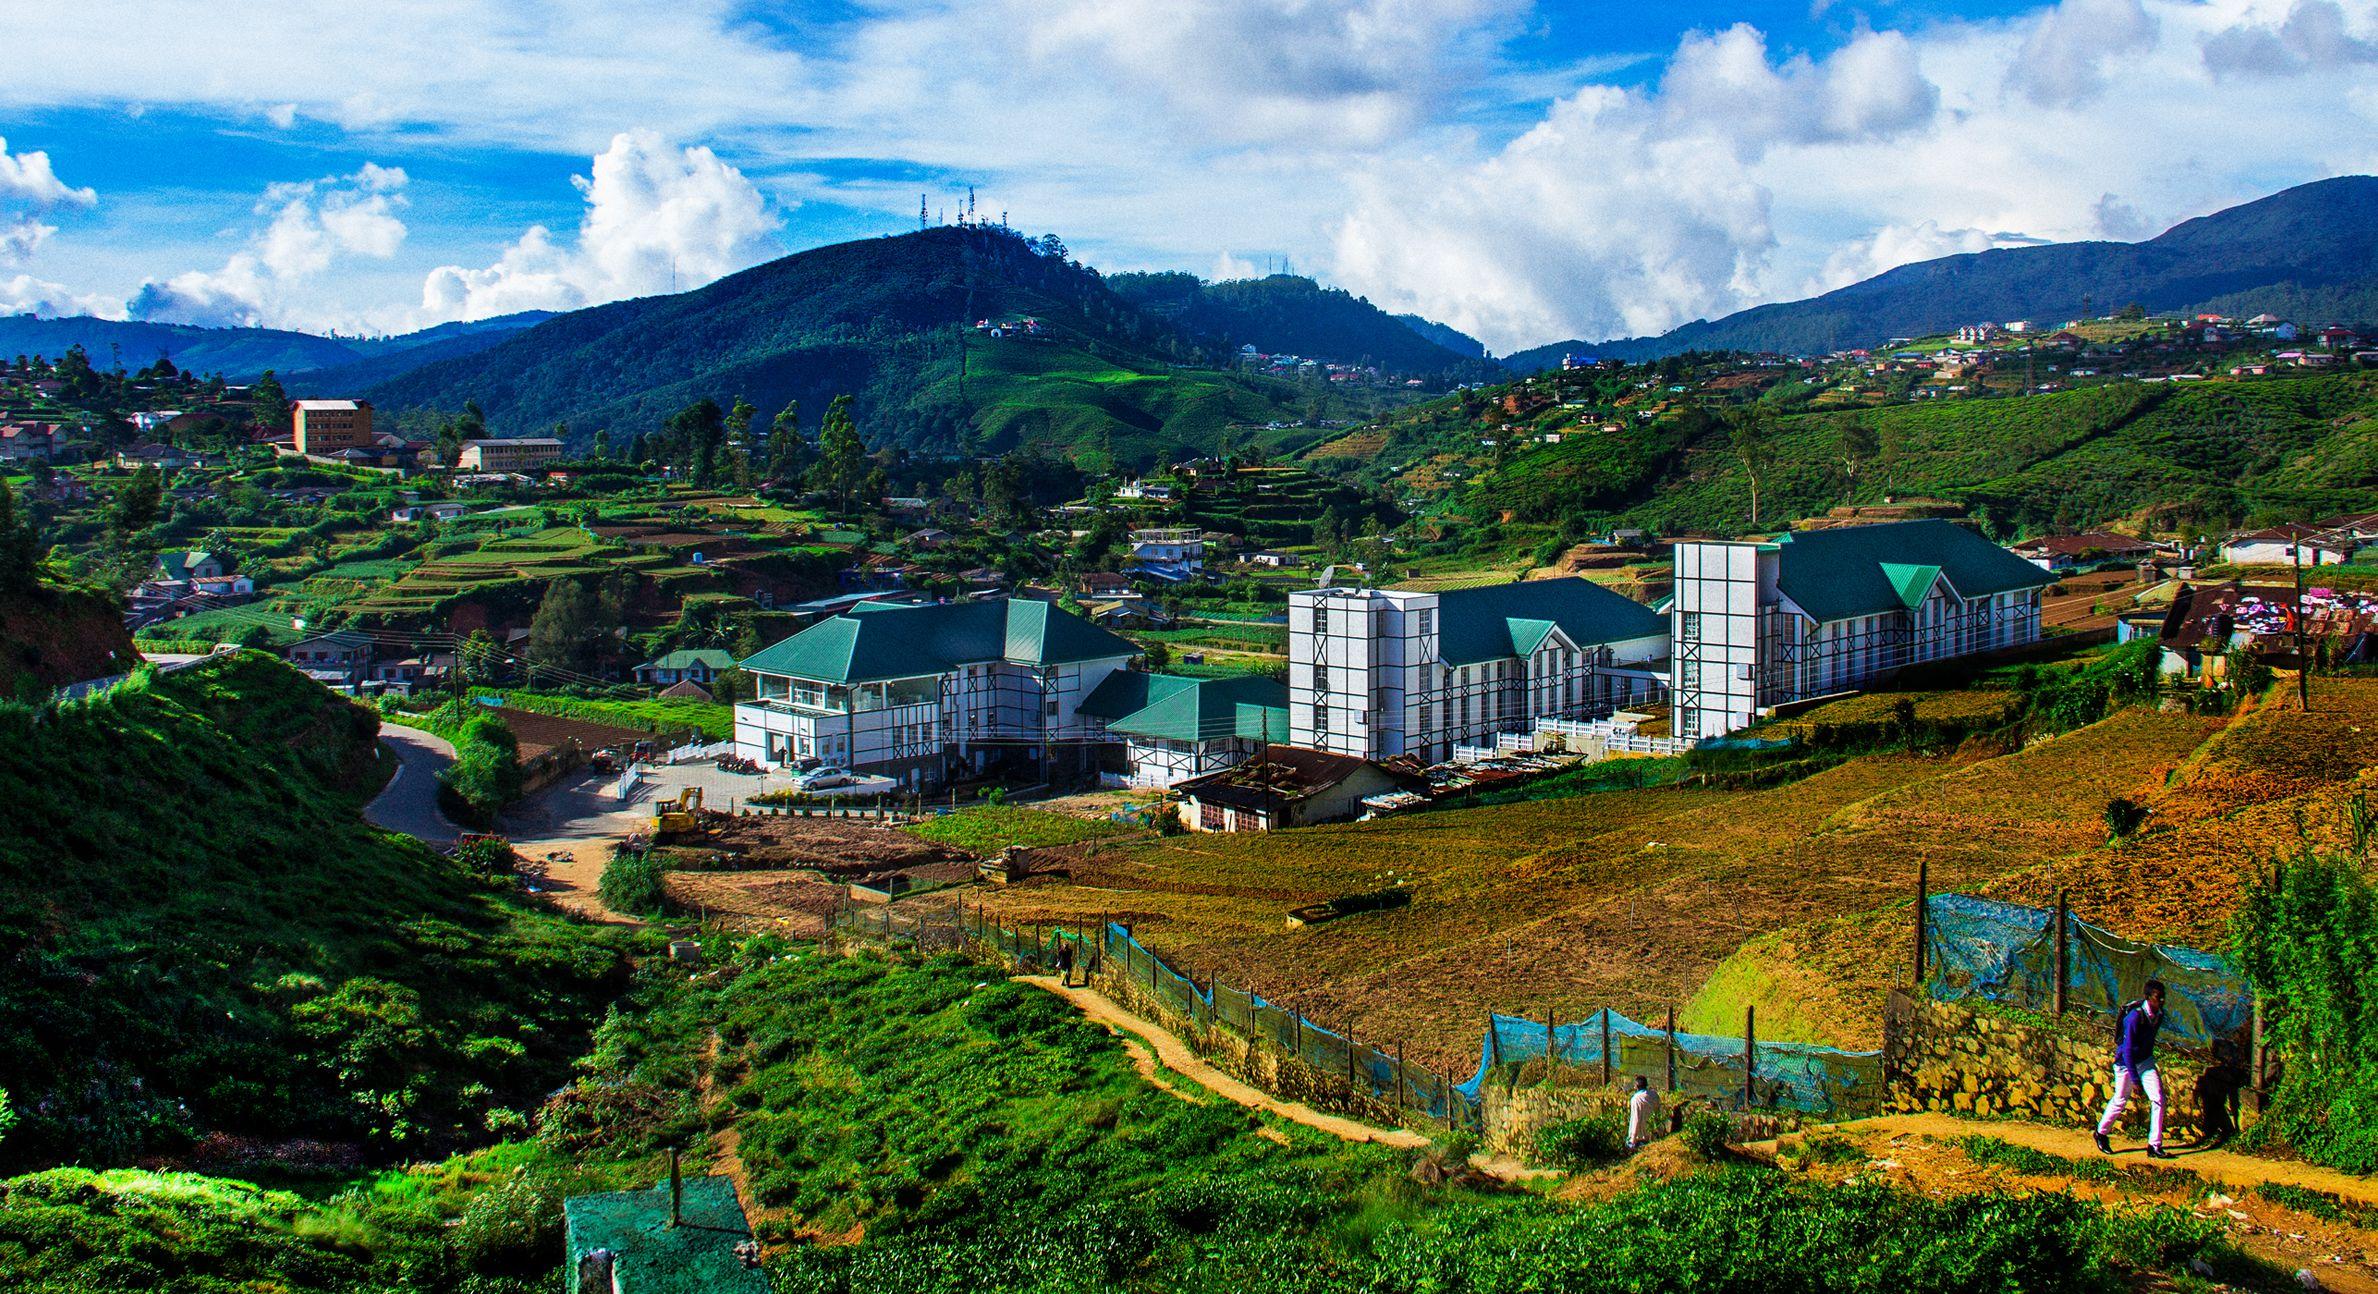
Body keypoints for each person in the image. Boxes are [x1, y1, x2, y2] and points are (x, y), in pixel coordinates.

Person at [2095, 979, 2171, 1159]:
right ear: (2147, 998)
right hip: (2125, 1064)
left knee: (2158, 1098)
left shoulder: (2159, 1015)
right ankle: (2101, 1133)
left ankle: (2154, 1145)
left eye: (2163, 998)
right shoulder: (2134, 1017)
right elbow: (2127, 1050)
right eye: (2157, 998)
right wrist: (2135, 1080)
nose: (2161, 1002)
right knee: (2120, 1099)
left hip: (2145, 1061)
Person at [2193, 1039, 2249, 1149]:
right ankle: (2212, 1130)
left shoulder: (2235, 1044)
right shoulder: (2220, 1041)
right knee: (2208, 1084)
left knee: (2212, 1091)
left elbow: (2236, 1065)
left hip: (2237, 1073)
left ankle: (2218, 1130)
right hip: (2226, 1074)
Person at [1628, 1075, 1662, 1151]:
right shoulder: (1654, 1095)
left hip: (1640, 1138)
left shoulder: (1636, 1099)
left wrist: (1632, 1140)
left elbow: (1635, 1119)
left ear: (1636, 1086)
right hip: (1654, 1134)